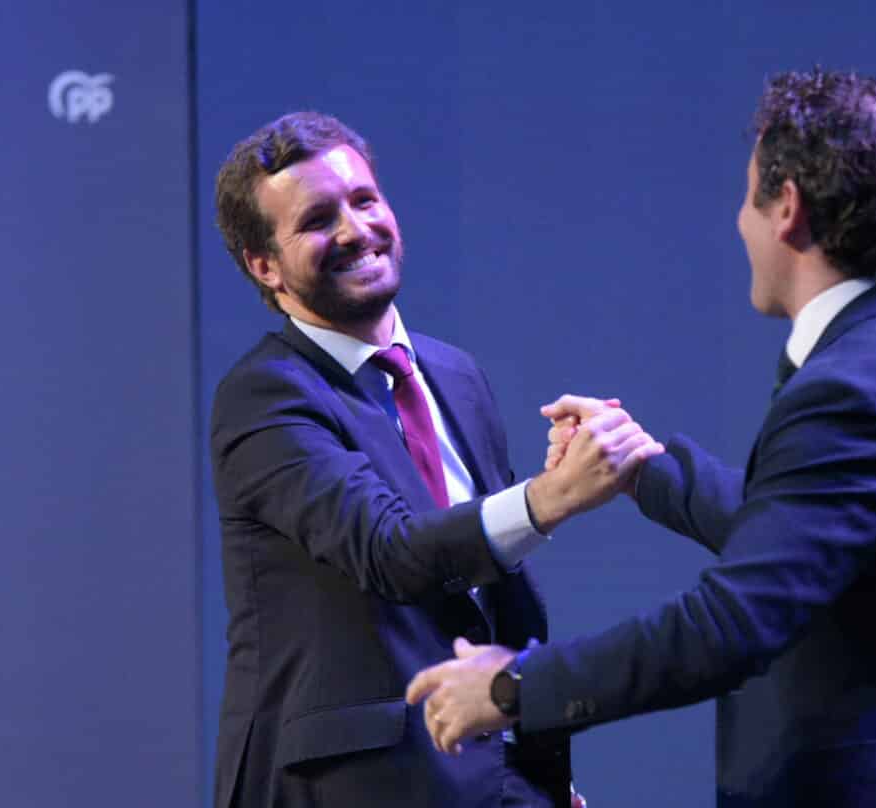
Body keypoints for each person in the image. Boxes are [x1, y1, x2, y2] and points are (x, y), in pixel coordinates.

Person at [406, 70, 876, 807]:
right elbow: (802, 542)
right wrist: (641, 464)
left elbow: (731, 622)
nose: (737, 222)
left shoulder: (857, 392)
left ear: (787, 208)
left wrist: (513, 685)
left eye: (747, 196)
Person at [209, 111, 661, 807]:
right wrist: (552, 496)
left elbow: (490, 594)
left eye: (364, 201)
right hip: (357, 786)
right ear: (264, 265)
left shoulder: (454, 375)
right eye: (317, 220)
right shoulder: (266, 396)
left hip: (502, 775)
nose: (356, 230)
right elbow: (390, 551)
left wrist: (539, 769)